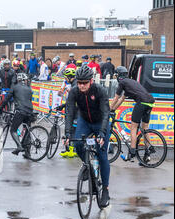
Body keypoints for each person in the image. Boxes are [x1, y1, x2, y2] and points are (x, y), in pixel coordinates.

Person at [64, 65, 111, 208]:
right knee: (77, 144)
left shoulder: (100, 91)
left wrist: (102, 133)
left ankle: (105, 191)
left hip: (99, 123)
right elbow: (70, 112)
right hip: (84, 121)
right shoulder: (74, 92)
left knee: (102, 155)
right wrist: (67, 133)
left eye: (84, 83)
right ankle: (88, 167)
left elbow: (105, 113)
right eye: (79, 82)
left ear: (91, 81)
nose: (81, 85)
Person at [109, 66, 156, 163]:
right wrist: (113, 109)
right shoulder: (130, 82)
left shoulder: (122, 83)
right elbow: (122, 99)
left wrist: (108, 109)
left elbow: (116, 98)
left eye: (116, 75)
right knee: (144, 129)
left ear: (119, 76)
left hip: (141, 102)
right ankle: (148, 152)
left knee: (133, 128)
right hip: (150, 102)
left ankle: (132, 152)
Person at [0, 73, 34, 155]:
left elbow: (7, 98)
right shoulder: (29, 88)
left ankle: (19, 146)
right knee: (27, 130)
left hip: (20, 111)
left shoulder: (14, 87)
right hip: (30, 111)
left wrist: (1, 108)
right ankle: (27, 153)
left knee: (13, 130)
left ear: (18, 80)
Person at [57, 66, 78, 158]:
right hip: (72, 109)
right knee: (70, 129)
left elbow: (74, 100)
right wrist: (63, 106)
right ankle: (69, 149)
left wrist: (64, 106)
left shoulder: (75, 85)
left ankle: (72, 150)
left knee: (72, 130)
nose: (65, 79)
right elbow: (70, 100)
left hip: (75, 111)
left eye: (66, 77)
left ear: (70, 77)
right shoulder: (74, 84)